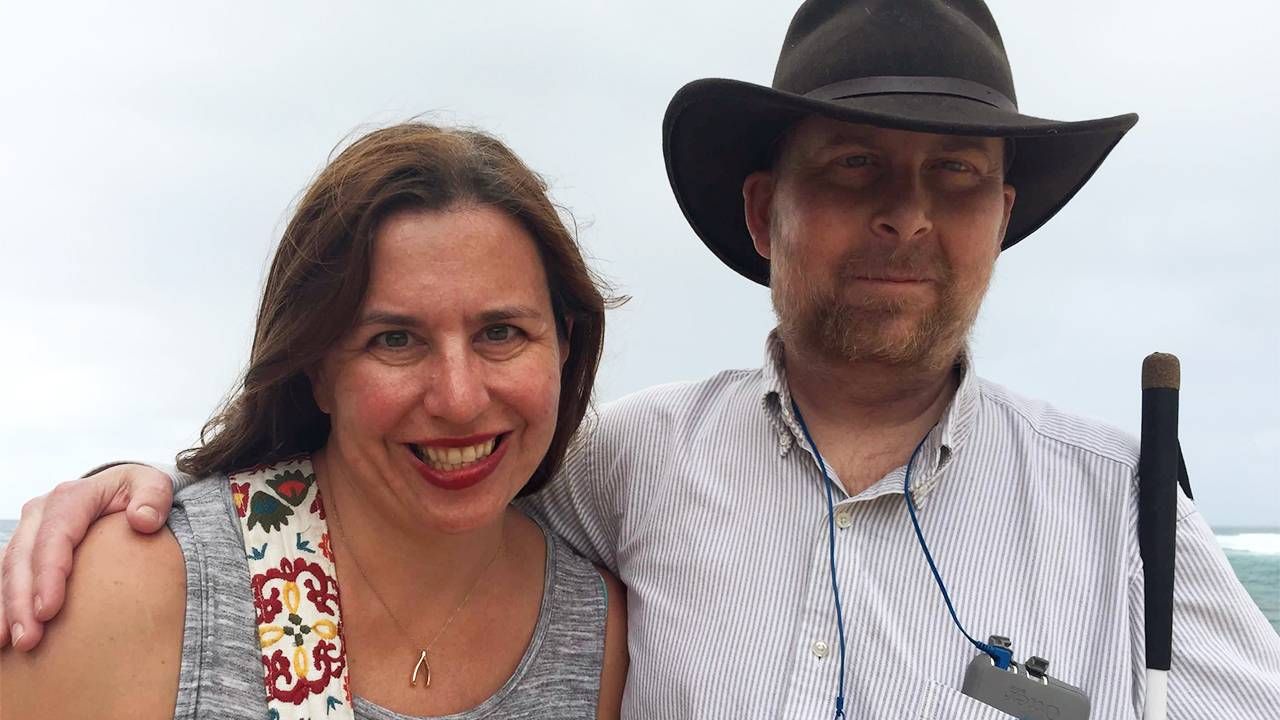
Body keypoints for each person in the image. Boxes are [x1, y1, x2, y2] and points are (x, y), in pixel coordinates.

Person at [5, 0, 1280, 717]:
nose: (908, 215)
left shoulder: (1121, 513)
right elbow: (391, 485)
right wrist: (145, 487)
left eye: (956, 179)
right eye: (853, 172)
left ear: (1001, 218)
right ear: (758, 213)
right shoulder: (620, 469)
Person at [0, 123, 627, 719]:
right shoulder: (133, 591)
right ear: (316, 367)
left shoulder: (594, 628)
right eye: (395, 340)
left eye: (501, 333)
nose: (458, 398)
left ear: (565, 344)